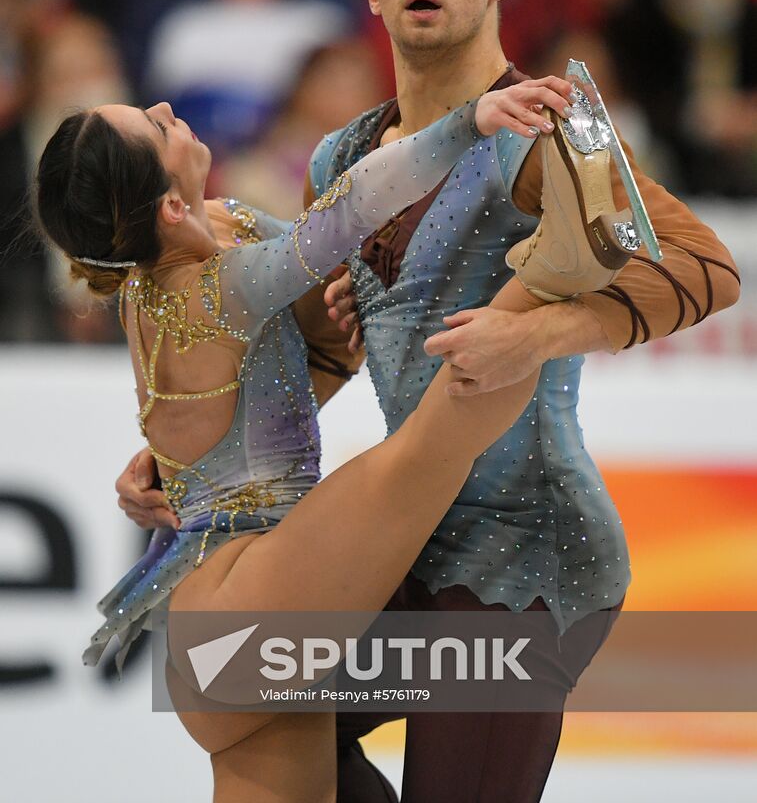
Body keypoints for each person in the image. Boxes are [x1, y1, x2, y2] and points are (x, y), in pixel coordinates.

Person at [117, 0, 740, 803]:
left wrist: (536, 336)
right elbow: (327, 354)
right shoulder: (344, 154)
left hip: (529, 558)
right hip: (413, 545)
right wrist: (184, 457)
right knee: (245, 694)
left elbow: (705, 268)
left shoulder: (539, 130)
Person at [35, 71, 636, 800]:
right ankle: (562, 266)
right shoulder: (203, 288)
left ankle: (560, 263)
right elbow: (347, 212)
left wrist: (346, 290)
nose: (166, 108)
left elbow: (331, 268)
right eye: (155, 127)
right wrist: (467, 120)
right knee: (432, 442)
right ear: (165, 204)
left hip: (236, 620)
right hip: (242, 595)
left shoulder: (211, 233)